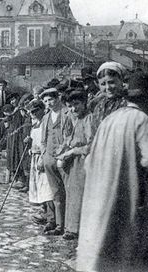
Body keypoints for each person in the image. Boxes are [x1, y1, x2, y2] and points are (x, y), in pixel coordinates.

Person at [77, 71, 148, 272]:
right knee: (136, 255)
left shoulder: (108, 121)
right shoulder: (141, 120)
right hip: (132, 199)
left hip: (102, 199)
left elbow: (88, 163)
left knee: (108, 250)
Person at [57, 90, 93, 241]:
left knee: (78, 194)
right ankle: (70, 226)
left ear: (84, 103)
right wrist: (63, 149)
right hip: (72, 161)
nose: (73, 109)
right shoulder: (74, 118)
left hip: (83, 160)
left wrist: (72, 152)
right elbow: (69, 138)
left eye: (76, 104)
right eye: (70, 106)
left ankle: (75, 229)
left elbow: (91, 145)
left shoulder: (88, 119)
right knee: (71, 193)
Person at [38, 87, 69, 236]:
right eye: (45, 101)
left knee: (68, 192)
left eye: (50, 99)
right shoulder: (46, 118)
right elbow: (42, 140)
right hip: (49, 158)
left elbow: (70, 135)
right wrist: (45, 155)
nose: (48, 103)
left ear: (57, 98)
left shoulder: (67, 113)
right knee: (55, 193)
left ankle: (68, 226)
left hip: (65, 158)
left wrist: (63, 152)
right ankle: (58, 225)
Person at [26, 100, 54, 226]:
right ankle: (43, 210)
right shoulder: (36, 123)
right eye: (31, 112)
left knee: (45, 185)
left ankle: (50, 215)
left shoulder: (45, 122)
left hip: (42, 157)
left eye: (35, 111)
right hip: (34, 157)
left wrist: (42, 157)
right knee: (37, 184)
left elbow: (46, 141)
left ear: (42, 109)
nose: (32, 114)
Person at [91, 61, 128, 132]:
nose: (108, 87)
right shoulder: (99, 107)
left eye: (111, 82)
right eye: (103, 84)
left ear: (121, 81)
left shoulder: (127, 104)